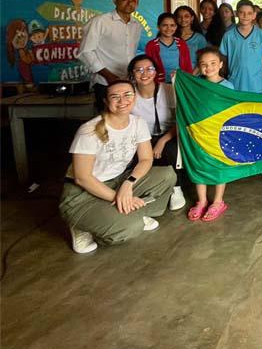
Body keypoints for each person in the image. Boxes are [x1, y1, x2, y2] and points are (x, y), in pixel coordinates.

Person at [60, 80, 176, 253]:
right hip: (82, 193)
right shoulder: (89, 130)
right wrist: (119, 196)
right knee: (130, 228)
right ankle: (81, 226)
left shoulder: (138, 123)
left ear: (134, 98)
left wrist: (128, 184)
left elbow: (146, 159)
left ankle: (129, 211)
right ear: (106, 101)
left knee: (167, 175)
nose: (122, 100)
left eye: (127, 95)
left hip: (118, 181)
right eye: (115, 96)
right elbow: (82, 178)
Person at [127, 55, 185, 211]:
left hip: (170, 134)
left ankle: (176, 188)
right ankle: (140, 190)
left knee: (170, 150)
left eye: (149, 69)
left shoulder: (168, 90)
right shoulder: (129, 94)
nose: (144, 73)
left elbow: (181, 120)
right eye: (138, 70)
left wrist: (163, 140)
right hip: (140, 137)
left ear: (156, 71)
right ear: (132, 74)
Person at [187, 48, 236, 222]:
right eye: (204, 65)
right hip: (199, 133)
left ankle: (218, 201)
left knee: (219, 166)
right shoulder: (195, 84)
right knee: (199, 165)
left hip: (219, 134)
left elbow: (233, 109)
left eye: (213, 63)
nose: (209, 68)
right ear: (199, 67)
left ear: (221, 64)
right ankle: (201, 201)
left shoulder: (228, 86)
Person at [78, 0, 143, 109]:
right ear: (115, 1)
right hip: (105, 82)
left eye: (133, 1)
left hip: (128, 82)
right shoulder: (100, 22)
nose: (130, 3)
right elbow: (85, 52)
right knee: (106, 121)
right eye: (125, 0)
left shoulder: (137, 25)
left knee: (125, 119)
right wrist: (108, 76)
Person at [219, 0, 262, 93]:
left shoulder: (261, 35)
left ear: (254, 15)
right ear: (236, 13)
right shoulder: (228, 35)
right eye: (242, 12)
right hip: (235, 82)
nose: (245, 16)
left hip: (256, 84)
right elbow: (224, 58)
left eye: (249, 13)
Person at [144, 13, 192, 83]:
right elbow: (148, 67)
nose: (169, 28)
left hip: (180, 82)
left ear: (176, 27)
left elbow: (188, 66)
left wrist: (188, 81)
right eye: (164, 25)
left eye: (172, 25)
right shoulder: (151, 45)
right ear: (158, 27)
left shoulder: (182, 44)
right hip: (158, 83)